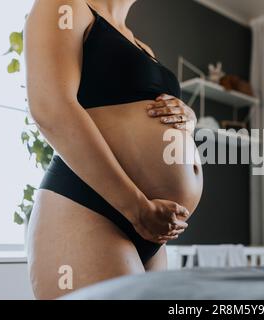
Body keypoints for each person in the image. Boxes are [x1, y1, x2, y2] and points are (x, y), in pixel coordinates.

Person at [24, 0, 203, 299]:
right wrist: (136, 208)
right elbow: (50, 107)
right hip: (89, 207)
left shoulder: (141, 46)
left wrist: (188, 118)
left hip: (151, 226)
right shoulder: (66, 5)